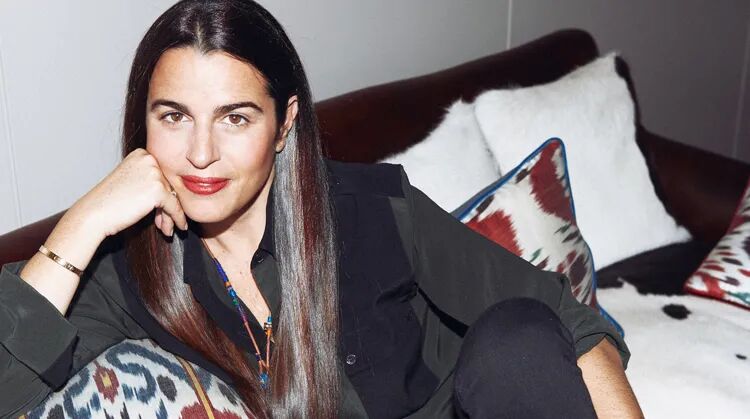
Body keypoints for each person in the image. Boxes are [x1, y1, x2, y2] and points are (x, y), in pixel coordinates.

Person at [0, 0, 643, 417]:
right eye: (173, 116)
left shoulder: (370, 210)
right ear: (143, 122)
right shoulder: (123, 272)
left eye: (235, 118)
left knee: (518, 337)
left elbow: (571, 324)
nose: (200, 154)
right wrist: (83, 222)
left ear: (284, 125)